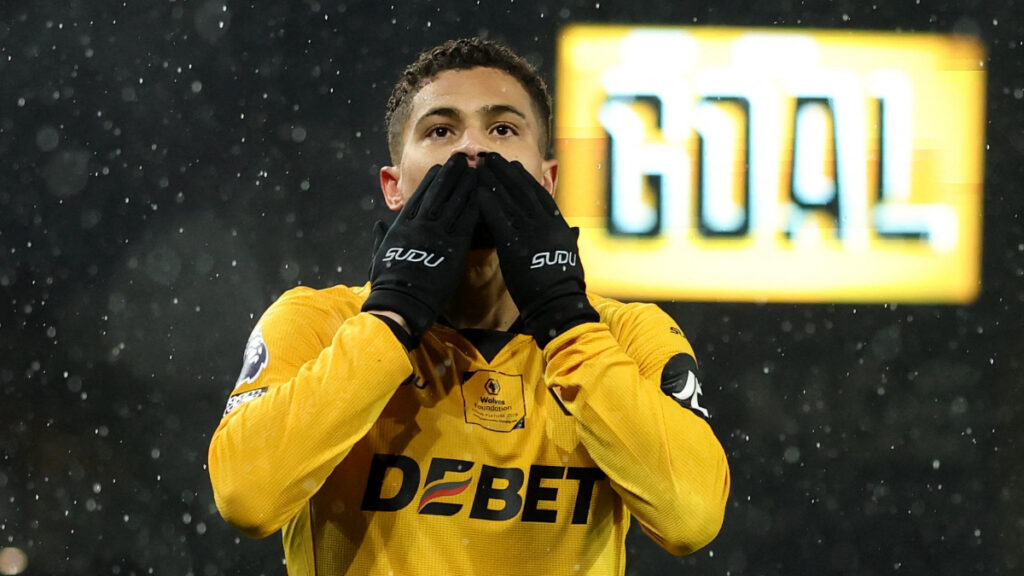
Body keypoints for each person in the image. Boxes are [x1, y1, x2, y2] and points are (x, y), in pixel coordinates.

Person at [208, 37, 730, 575]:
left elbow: (690, 519)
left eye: (502, 128)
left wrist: (565, 318)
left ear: (548, 180)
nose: (471, 152)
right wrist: (391, 317)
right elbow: (248, 499)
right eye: (441, 131)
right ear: (394, 187)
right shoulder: (317, 322)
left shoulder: (626, 333)